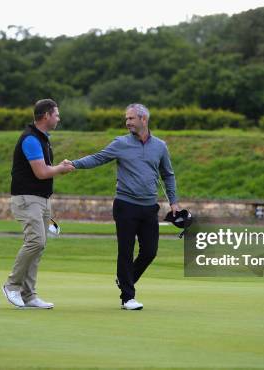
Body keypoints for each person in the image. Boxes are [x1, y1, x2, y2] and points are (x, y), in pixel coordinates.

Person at [65, 103, 180, 310]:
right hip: (125, 205)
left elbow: (168, 175)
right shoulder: (120, 143)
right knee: (125, 251)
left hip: (149, 207)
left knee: (150, 251)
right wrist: (74, 164)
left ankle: (125, 279)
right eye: (126, 119)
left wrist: (174, 202)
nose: (127, 122)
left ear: (143, 119)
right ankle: (128, 297)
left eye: (131, 119)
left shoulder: (160, 146)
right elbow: (98, 158)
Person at [2, 99, 74, 309]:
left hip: (41, 200)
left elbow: (44, 171)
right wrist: (60, 168)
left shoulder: (42, 138)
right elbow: (41, 172)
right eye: (56, 114)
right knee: (36, 242)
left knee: (39, 246)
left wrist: (59, 167)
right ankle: (12, 285)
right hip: (27, 198)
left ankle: (29, 295)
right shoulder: (31, 139)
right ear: (46, 116)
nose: (59, 118)